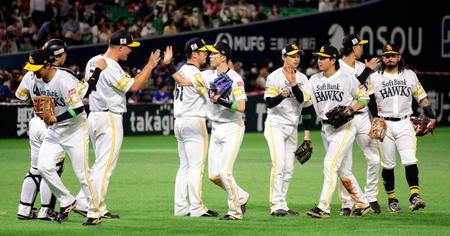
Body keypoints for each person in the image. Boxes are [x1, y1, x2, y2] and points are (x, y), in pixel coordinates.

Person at [76, 29, 161, 225]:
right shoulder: (112, 67)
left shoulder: (93, 60)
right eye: (128, 48)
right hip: (109, 119)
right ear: (120, 47)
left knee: (98, 165)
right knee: (104, 169)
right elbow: (134, 87)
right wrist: (150, 65)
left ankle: (87, 202)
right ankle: (93, 211)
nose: (130, 51)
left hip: (95, 116)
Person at [163, 41, 250, 220]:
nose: (210, 55)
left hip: (233, 128)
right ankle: (241, 196)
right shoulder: (206, 75)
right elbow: (183, 81)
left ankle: (234, 212)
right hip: (216, 128)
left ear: (224, 56)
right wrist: (168, 65)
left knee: (225, 172)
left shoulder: (235, 78)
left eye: (214, 53)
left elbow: (241, 106)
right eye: (208, 53)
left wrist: (222, 101)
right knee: (213, 175)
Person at [21, 49, 98, 224]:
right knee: (43, 166)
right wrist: (44, 114)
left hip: (75, 129)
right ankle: (67, 200)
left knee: (82, 173)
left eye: (37, 68)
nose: (33, 71)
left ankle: (95, 212)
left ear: (48, 65)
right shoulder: (36, 79)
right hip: (55, 131)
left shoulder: (64, 80)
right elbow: (36, 101)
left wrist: (57, 117)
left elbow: (77, 109)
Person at [366, 43, 436, 213]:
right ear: (382, 58)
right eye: (386, 55)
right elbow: (370, 99)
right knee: (388, 165)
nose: (390, 58)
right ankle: (392, 199)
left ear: (399, 57)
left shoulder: (410, 75)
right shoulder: (375, 77)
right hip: (384, 124)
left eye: (393, 55)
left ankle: (415, 195)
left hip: (406, 122)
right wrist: (375, 117)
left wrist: (431, 115)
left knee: (410, 159)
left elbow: (421, 96)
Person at [305, 45, 371, 218]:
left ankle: (323, 208)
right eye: (318, 57)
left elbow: (364, 98)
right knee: (343, 171)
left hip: (344, 127)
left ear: (333, 60)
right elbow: (305, 101)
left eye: (323, 58)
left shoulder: (347, 77)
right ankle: (363, 204)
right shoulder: (314, 80)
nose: (319, 60)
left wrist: (351, 110)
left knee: (330, 164)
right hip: (326, 128)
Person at [263, 43, 312, 216]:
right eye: (292, 56)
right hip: (275, 125)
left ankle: (283, 202)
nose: (296, 58)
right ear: (283, 57)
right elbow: (268, 103)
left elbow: (304, 105)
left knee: (289, 168)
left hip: (292, 127)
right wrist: (281, 95)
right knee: (279, 164)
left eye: (298, 55)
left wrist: (307, 133)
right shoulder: (274, 77)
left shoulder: (304, 79)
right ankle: (275, 205)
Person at [173, 38, 218, 217]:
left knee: (184, 166)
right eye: (203, 51)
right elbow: (212, 95)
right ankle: (197, 208)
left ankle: (181, 207)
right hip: (194, 121)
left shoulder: (181, 71)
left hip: (179, 121)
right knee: (196, 167)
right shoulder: (196, 74)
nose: (206, 54)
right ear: (194, 54)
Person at [337, 34, 382, 215]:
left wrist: (376, 118)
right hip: (345, 118)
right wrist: (368, 70)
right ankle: (346, 203)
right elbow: (352, 87)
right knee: (344, 163)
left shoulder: (363, 66)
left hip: (363, 117)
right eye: (360, 45)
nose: (362, 48)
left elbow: (368, 94)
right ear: (354, 48)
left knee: (374, 159)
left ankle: (370, 197)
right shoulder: (337, 67)